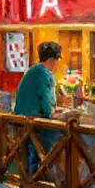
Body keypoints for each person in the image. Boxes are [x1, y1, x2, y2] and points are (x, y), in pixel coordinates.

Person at [14, 41, 63, 176]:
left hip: (20, 122)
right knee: (58, 139)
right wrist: (57, 112)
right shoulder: (45, 74)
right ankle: (46, 178)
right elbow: (48, 110)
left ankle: (32, 176)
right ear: (53, 60)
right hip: (34, 124)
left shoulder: (33, 71)